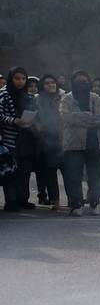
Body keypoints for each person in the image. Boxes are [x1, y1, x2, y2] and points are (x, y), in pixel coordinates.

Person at [58, 70, 100, 217]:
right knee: (74, 176)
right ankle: (76, 205)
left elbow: (99, 119)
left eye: (85, 82)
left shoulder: (96, 99)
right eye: (79, 82)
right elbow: (66, 117)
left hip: (93, 143)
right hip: (73, 144)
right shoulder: (66, 99)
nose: (82, 85)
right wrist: (87, 116)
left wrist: (79, 118)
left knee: (94, 176)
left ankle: (94, 203)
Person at [1, 68, 36, 211]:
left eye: (23, 78)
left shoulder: (28, 96)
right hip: (9, 140)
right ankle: (11, 201)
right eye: (17, 78)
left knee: (24, 171)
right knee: (11, 172)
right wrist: (14, 120)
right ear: (11, 79)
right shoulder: (3, 94)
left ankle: (23, 199)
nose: (20, 82)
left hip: (26, 139)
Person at [33, 74, 63, 209]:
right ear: (42, 86)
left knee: (69, 172)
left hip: (64, 140)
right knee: (50, 173)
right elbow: (32, 118)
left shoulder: (63, 98)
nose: (51, 85)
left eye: (53, 82)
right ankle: (54, 200)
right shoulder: (37, 100)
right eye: (47, 83)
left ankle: (75, 200)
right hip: (46, 140)